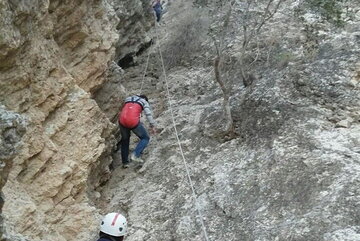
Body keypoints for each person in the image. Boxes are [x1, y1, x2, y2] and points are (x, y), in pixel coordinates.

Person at [118, 95, 156, 168]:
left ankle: (125, 163)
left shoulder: (128, 98)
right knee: (145, 138)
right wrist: (152, 125)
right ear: (145, 99)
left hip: (122, 120)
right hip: (132, 121)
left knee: (125, 140)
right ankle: (136, 154)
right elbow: (148, 114)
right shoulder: (144, 102)